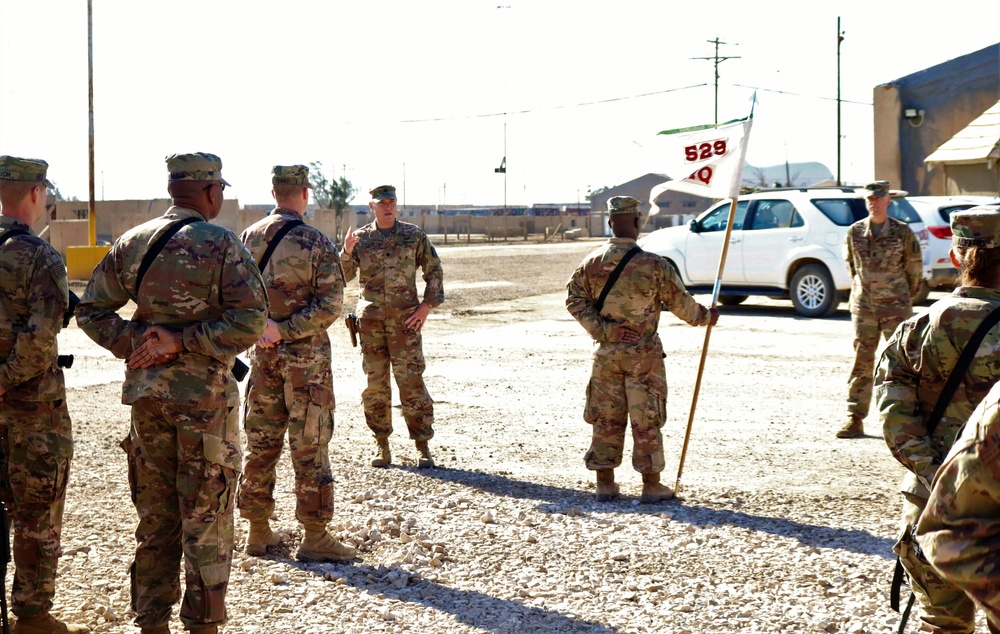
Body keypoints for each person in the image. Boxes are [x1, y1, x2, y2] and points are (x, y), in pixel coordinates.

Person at [76, 153, 267, 634]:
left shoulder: (132, 241)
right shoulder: (221, 243)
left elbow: (91, 311)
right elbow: (251, 320)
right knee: (206, 518)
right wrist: (183, 342)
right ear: (210, 192)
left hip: (147, 403)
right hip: (204, 404)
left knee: (156, 518)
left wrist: (138, 344)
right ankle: (203, 626)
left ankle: (151, 623)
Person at [875, 206, 1000, 633]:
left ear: (955, 255)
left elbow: (894, 415)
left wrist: (933, 476)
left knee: (941, 622)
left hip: (931, 508)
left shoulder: (916, 328)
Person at [236, 165, 356, 562]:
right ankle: (315, 535)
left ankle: (257, 530)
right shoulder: (316, 241)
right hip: (307, 364)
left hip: (263, 358)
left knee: (260, 442)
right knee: (310, 443)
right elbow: (330, 306)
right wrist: (286, 330)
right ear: (304, 193)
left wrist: (264, 330)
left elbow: (234, 300)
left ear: (273, 192)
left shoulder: (247, 239)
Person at [566, 196, 718, 503]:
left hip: (606, 354)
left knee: (606, 416)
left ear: (610, 223)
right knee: (645, 417)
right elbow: (683, 306)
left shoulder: (590, 263)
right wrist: (706, 316)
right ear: (637, 221)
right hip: (643, 358)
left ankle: (605, 483)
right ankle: (651, 485)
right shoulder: (654, 265)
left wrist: (605, 330)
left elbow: (574, 301)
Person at [0, 156, 89, 634]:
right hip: (32, 409)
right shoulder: (39, 256)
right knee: (37, 509)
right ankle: (32, 617)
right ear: (35, 194)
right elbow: (38, 342)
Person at [342, 185, 444, 468]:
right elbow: (341, 277)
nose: (387, 206)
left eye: (391, 202)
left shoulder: (413, 236)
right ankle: (381, 444)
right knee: (375, 386)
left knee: (411, 383)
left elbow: (434, 270)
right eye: (381, 203)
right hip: (371, 324)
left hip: (405, 323)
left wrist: (426, 306)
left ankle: (422, 445)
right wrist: (347, 253)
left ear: (396, 205)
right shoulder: (361, 239)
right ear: (371, 207)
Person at [838, 180, 923, 439]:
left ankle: (909, 421)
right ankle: (855, 417)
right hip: (864, 308)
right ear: (866, 202)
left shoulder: (902, 232)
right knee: (862, 362)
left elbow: (914, 271)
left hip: (895, 307)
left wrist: (899, 297)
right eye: (870, 199)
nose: (874, 203)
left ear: (888, 200)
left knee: (901, 362)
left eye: (879, 198)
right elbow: (852, 267)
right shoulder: (854, 232)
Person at [916, 381, 1000, 633]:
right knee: (945, 619)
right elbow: (895, 389)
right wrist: (927, 467)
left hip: (956, 477)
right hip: (942, 474)